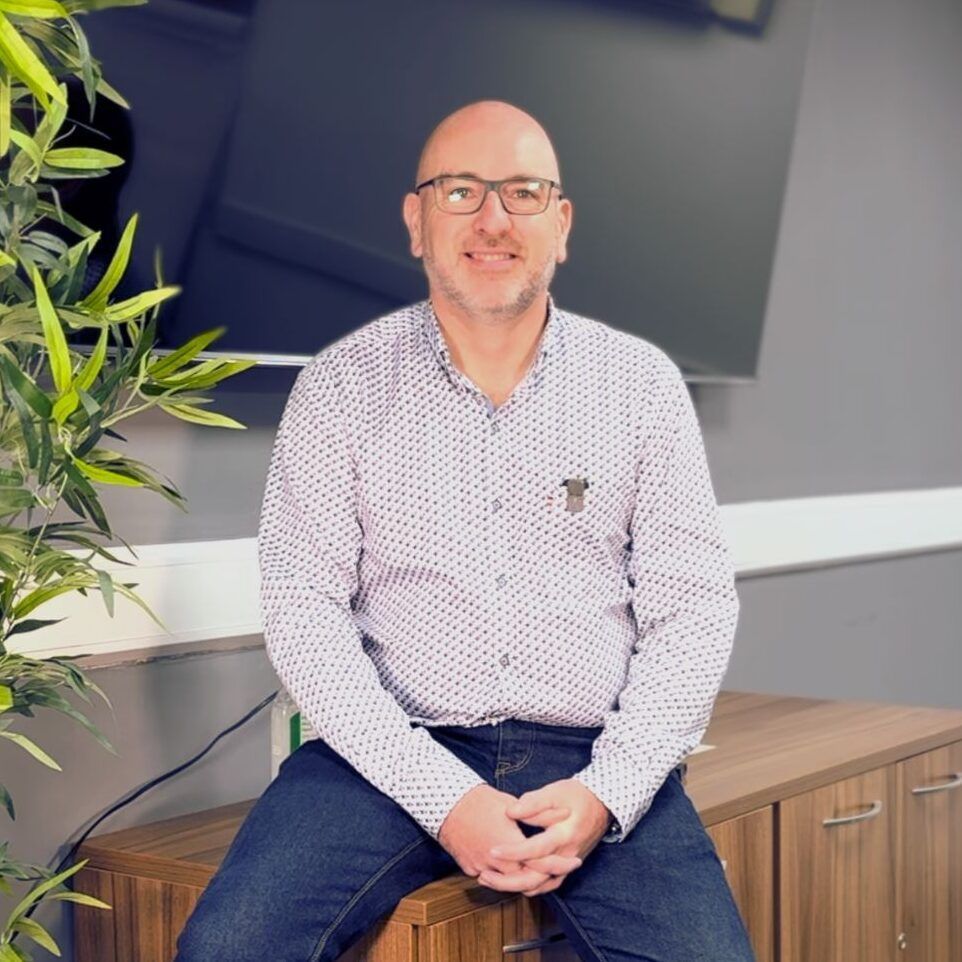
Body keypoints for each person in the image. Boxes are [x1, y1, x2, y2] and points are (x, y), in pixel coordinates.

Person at [174, 99, 755, 962]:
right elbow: (304, 612)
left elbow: (695, 610)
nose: (491, 219)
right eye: (459, 192)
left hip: (592, 749)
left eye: (522, 193)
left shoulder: (640, 387)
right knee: (227, 951)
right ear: (416, 221)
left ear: (561, 225)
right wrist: (444, 796)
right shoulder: (339, 387)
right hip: (385, 754)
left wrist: (606, 791)